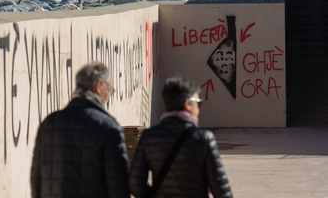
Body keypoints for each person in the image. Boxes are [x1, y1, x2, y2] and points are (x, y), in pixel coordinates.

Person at [31, 62, 130, 198]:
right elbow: (118, 187)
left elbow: (36, 179)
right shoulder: (109, 128)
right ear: (98, 86)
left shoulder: (48, 124)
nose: (108, 96)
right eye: (109, 89)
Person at [129, 77, 233, 198]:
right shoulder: (203, 138)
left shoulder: (148, 137)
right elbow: (220, 188)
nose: (199, 106)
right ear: (187, 104)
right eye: (198, 101)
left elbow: (135, 184)